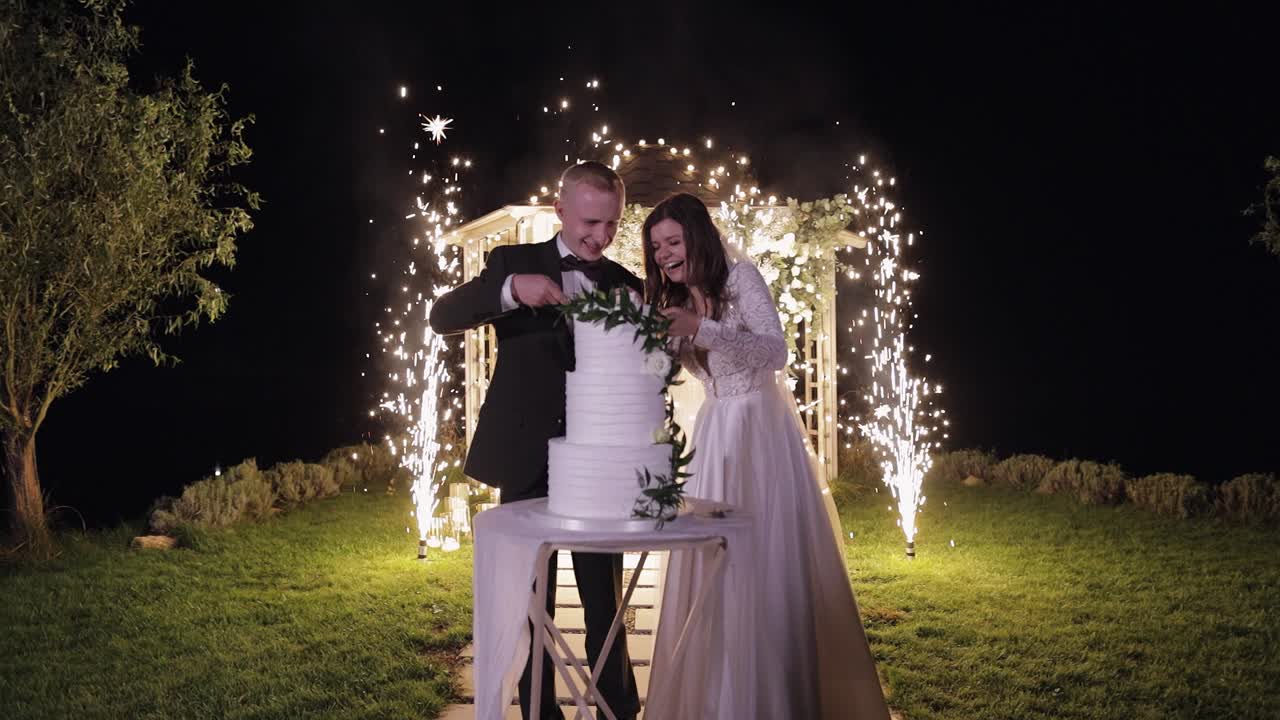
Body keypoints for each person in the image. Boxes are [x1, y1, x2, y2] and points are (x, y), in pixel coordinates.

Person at [644, 192, 891, 719]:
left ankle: (772, 699)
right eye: (657, 246)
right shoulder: (676, 300)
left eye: (673, 240)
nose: (664, 253)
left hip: (759, 428)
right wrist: (662, 346)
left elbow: (775, 350)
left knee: (761, 559)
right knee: (713, 563)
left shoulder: (742, 279)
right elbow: (688, 370)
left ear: (697, 236)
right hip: (715, 431)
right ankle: (715, 698)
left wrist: (702, 329)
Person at [429, 161, 643, 720]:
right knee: (531, 602)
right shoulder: (512, 264)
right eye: (589, 223)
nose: (600, 237)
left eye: (612, 225)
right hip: (527, 454)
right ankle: (538, 714)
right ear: (560, 210)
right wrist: (507, 291)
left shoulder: (626, 284)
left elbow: (643, 375)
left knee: (606, 601)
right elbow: (441, 315)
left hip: (597, 463)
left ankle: (617, 709)